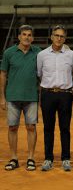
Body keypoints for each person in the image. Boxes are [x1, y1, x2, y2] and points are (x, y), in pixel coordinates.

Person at [0, 25, 41, 171]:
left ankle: (30, 158)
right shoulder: (9, 53)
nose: (27, 37)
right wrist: (2, 97)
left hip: (31, 97)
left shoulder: (38, 52)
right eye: (24, 34)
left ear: (33, 38)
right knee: (12, 127)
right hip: (12, 96)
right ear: (19, 37)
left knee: (31, 127)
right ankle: (13, 158)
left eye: (30, 35)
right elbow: (3, 74)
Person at [37, 25, 73, 171]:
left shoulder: (72, 55)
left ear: (65, 38)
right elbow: (39, 73)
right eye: (56, 35)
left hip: (65, 94)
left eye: (62, 36)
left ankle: (66, 158)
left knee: (65, 128)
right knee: (48, 128)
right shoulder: (42, 55)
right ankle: (48, 159)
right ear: (51, 37)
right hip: (47, 94)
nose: (59, 38)